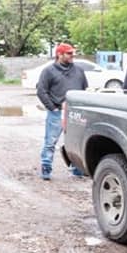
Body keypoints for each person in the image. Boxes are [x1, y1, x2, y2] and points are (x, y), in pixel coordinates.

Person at [36, 42, 88, 180]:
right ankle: (46, 169)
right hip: (57, 112)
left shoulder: (79, 71)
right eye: (69, 53)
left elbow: (84, 90)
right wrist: (52, 107)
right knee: (50, 142)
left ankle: (77, 169)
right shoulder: (48, 71)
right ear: (59, 54)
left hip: (75, 113)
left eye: (73, 53)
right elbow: (41, 91)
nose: (73, 55)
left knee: (76, 142)